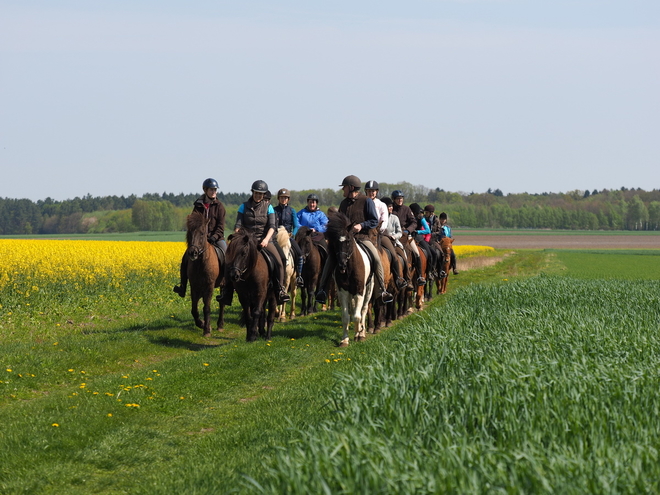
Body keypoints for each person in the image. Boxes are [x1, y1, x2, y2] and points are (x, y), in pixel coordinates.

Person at [316, 175, 394, 304]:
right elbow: (337, 226)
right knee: (330, 259)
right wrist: (324, 235)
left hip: (363, 238)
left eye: (344, 188)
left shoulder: (366, 201)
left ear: (351, 188)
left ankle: (382, 290)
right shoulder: (343, 203)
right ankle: (322, 290)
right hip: (346, 240)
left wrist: (361, 225)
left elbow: (374, 220)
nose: (343, 190)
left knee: (376, 258)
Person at [230, 179, 291, 305]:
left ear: (264, 195)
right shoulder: (243, 206)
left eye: (261, 194)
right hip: (247, 241)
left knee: (281, 261)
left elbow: (272, 226)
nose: (258, 196)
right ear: (252, 192)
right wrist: (238, 236)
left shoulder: (268, 207)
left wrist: (266, 239)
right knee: (230, 260)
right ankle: (227, 291)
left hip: (264, 240)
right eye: (256, 193)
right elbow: (238, 225)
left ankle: (280, 290)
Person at [173, 178, 226, 297]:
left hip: (217, 238)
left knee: (227, 255)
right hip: (199, 240)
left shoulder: (220, 207)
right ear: (205, 190)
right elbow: (193, 224)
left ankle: (227, 288)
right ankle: (183, 286)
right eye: (211, 190)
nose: (213, 192)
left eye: (215, 190)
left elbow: (220, 227)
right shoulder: (198, 205)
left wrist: (214, 237)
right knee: (185, 258)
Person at [364, 180, 407, 289]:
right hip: (364, 234)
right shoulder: (362, 203)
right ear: (366, 191)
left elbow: (384, 221)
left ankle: (398, 278)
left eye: (373, 191)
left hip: (380, 234)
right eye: (369, 191)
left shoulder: (382, 205)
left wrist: (377, 230)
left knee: (393, 253)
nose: (371, 193)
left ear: (377, 192)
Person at [390, 190, 425, 285]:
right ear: (394, 199)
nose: (400, 200)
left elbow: (414, 222)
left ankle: (419, 276)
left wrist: (408, 230)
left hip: (406, 235)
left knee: (416, 253)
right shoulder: (390, 208)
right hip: (392, 235)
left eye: (401, 198)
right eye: (398, 198)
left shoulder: (407, 209)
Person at [274, 188, 305, 287]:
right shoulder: (274, 210)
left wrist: (292, 234)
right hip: (276, 237)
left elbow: (296, 226)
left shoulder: (292, 211)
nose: (283, 199)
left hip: (288, 236)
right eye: (282, 198)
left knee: (300, 254)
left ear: (288, 199)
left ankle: (299, 276)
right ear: (278, 198)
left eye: (285, 198)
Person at [410, 203, 437, 278]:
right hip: (408, 237)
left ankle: (430, 272)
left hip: (418, 237)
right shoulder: (408, 217)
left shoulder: (421, 218)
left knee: (431, 254)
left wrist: (418, 232)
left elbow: (427, 230)